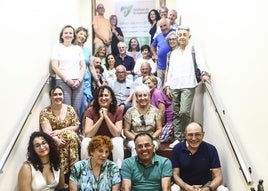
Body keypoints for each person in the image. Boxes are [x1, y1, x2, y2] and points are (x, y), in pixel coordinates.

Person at [164, 26, 210, 148]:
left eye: (184, 34)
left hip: (188, 84)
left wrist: (204, 73)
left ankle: (186, 137)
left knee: (184, 112)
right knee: (176, 113)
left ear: (189, 36)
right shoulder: (173, 54)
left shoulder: (194, 50)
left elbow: (200, 62)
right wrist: (168, 85)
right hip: (175, 85)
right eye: (180, 35)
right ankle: (178, 138)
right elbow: (171, 71)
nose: (182, 37)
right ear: (177, 37)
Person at [171, 122, 229, 191]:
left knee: (223, 189)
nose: (194, 138)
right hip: (184, 186)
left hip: (206, 186)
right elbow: (175, 175)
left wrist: (207, 189)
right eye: (190, 135)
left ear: (203, 135)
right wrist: (187, 187)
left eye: (197, 134)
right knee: (174, 189)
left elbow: (218, 176)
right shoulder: (177, 148)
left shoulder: (211, 149)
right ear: (185, 135)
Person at [39, 86, 80, 182]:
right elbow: (47, 132)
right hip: (53, 139)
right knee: (65, 140)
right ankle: (65, 176)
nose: (58, 96)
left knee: (70, 135)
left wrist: (61, 131)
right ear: (50, 97)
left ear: (63, 96)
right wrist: (56, 139)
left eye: (60, 94)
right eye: (55, 94)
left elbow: (76, 126)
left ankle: (71, 173)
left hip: (71, 138)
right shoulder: (45, 112)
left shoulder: (70, 109)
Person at [81, 85, 124, 168]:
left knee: (118, 140)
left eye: (106, 95)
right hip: (96, 140)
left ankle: (118, 170)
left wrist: (106, 117)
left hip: (111, 139)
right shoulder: (91, 110)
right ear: (97, 99)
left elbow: (117, 133)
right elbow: (88, 134)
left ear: (111, 98)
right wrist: (101, 119)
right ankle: (85, 170)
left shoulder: (118, 110)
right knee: (85, 141)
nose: (103, 98)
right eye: (101, 96)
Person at [51, 25, 86, 117]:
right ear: (61, 36)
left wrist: (79, 80)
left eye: (70, 33)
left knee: (77, 109)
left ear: (74, 36)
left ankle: (76, 131)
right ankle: (67, 131)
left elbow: (83, 66)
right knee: (66, 109)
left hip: (78, 82)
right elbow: (54, 66)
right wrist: (67, 80)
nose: (68, 35)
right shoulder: (57, 47)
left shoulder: (78, 48)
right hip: (63, 81)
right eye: (65, 33)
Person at [124, 84, 162, 156]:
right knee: (136, 147)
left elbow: (159, 129)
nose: (142, 98)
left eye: (145, 95)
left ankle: (151, 166)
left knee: (151, 147)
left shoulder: (156, 111)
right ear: (137, 97)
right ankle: (135, 167)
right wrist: (137, 139)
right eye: (140, 96)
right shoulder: (130, 111)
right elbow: (126, 131)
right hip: (133, 139)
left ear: (149, 96)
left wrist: (151, 138)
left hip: (152, 138)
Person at [75, 26, 99, 119]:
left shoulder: (87, 50)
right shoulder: (72, 48)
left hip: (87, 80)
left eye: (85, 35)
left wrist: (98, 81)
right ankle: (78, 127)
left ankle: (83, 129)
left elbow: (91, 67)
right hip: (77, 80)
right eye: (81, 34)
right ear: (76, 34)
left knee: (86, 104)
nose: (82, 36)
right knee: (79, 105)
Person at [143, 75, 174, 143]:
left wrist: (160, 127)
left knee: (159, 139)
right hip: (157, 122)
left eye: (149, 83)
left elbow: (162, 111)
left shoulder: (157, 93)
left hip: (166, 122)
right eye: (145, 84)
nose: (147, 85)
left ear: (155, 84)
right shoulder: (148, 94)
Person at [151, 18, 174, 85]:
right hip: (160, 67)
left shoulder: (174, 33)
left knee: (170, 87)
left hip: (171, 67)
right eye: (161, 26)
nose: (163, 28)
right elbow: (152, 46)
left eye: (165, 25)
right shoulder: (158, 36)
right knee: (160, 86)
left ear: (169, 25)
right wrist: (155, 54)